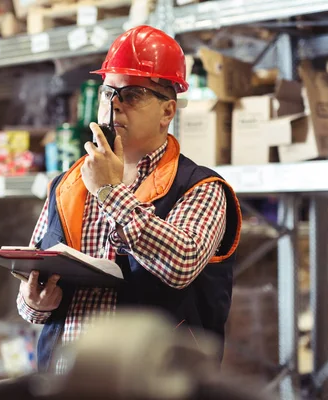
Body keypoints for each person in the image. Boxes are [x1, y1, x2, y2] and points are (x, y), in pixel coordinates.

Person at [16, 25, 242, 373]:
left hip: (156, 383)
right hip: (66, 383)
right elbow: (34, 282)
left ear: (168, 111)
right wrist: (35, 302)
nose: (114, 105)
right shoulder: (67, 185)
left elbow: (182, 264)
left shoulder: (201, 187)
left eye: (132, 94)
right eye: (109, 92)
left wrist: (109, 192)